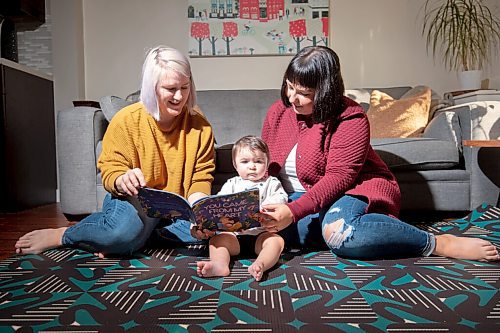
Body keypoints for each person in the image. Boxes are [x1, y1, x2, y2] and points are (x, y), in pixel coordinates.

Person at [259, 45, 499, 262]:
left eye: (303, 92)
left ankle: (435, 243)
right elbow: (269, 167)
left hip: (353, 189)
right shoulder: (278, 112)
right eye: (289, 86)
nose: (292, 98)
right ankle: (338, 229)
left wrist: (293, 212)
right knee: (250, 231)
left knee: (340, 232)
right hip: (299, 198)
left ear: (325, 91)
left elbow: (339, 177)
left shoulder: (350, 117)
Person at [15, 46, 215, 257]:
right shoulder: (127, 120)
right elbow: (111, 169)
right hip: (135, 200)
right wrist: (122, 179)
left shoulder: (200, 126)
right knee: (119, 234)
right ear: (151, 87)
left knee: (214, 232)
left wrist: (200, 210)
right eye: (170, 88)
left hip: (175, 212)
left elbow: (200, 177)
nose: (179, 96)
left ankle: (130, 238)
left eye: (185, 87)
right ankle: (66, 234)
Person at [196, 135, 288, 281]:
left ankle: (261, 264)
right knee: (216, 241)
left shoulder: (272, 182)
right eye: (245, 162)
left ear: (267, 163)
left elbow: (281, 198)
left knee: (276, 242)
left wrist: (266, 208)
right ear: (235, 164)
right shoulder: (231, 183)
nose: (252, 166)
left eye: (258, 161)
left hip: (261, 235)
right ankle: (219, 265)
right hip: (233, 236)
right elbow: (220, 203)